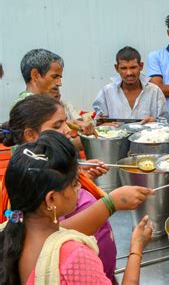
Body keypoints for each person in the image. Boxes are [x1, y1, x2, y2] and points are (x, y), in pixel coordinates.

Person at [1, 94, 153, 282]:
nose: (67, 130)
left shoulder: (17, 227)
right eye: (74, 183)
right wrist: (136, 248)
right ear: (51, 199)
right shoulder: (72, 257)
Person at [93, 46, 169, 124]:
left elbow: (166, 122)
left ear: (141, 66)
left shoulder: (154, 91)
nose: (129, 73)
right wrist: (104, 124)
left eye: (133, 67)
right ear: (116, 68)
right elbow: (99, 123)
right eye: (124, 68)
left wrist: (155, 121)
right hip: (116, 136)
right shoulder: (107, 92)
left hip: (147, 136)